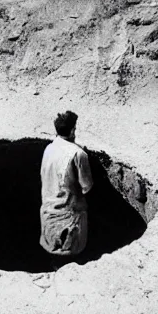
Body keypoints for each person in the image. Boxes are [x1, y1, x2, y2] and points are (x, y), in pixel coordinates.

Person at [40, 111, 93, 261]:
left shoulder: (48, 149)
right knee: (70, 258)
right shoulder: (78, 154)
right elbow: (86, 187)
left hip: (48, 215)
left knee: (53, 256)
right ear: (72, 130)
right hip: (70, 220)